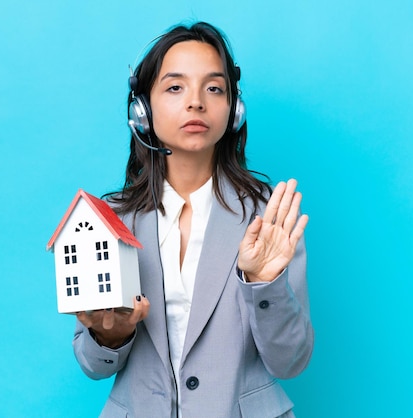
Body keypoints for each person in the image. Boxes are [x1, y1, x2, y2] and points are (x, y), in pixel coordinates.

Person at [73, 21, 313, 418]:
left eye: (214, 88)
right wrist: (110, 336)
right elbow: (91, 364)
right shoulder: (110, 219)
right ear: (142, 111)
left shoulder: (268, 216)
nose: (196, 102)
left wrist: (263, 284)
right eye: (175, 87)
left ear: (233, 109)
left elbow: (290, 362)